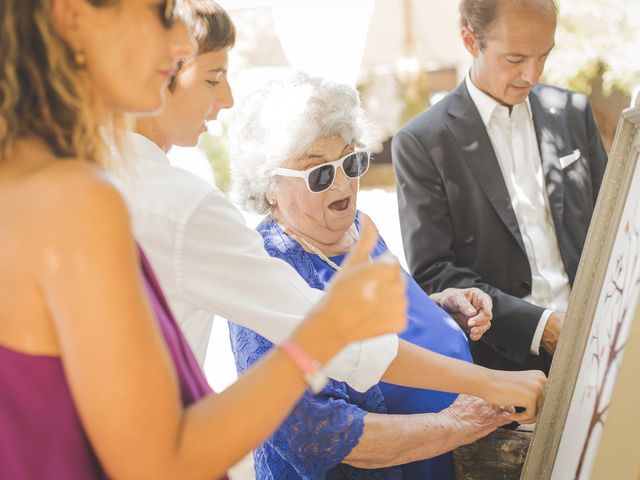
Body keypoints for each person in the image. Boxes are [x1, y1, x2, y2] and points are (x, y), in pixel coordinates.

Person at [0, 1, 411, 478]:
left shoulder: (31, 181)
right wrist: (323, 332)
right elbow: (161, 460)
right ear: (73, 16)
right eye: (160, 10)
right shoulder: (81, 199)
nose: (179, 43)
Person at [120, 3, 546, 424]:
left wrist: (438, 312)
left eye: (352, 163)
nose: (227, 98)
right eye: (214, 77)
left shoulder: (103, 179)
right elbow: (334, 348)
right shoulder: (188, 210)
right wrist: (487, 385)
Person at [226, 72, 538, 479]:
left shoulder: (358, 227)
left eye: (351, 161)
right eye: (318, 173)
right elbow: (316, 434)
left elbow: (391, 324)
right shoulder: (264, 273)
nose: (342, 184)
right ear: (269, 186)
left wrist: (443, 308)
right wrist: (455, 425)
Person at [392, 0, 608, 373]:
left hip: (603, 338)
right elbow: (435, 272)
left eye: (544, 56)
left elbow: (612, 225)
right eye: (515, 59)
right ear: (470, 42)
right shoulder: (422, 142)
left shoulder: (573, 112)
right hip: (503, 364)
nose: (533, 74)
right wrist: (542, 327)